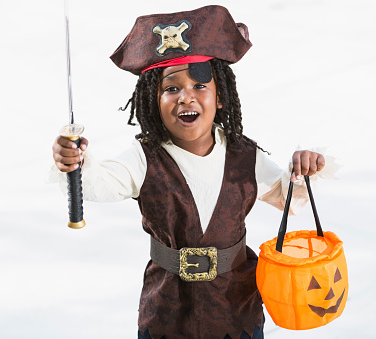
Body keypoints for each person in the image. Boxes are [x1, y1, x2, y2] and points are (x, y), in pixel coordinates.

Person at [50, 5, 338, 339]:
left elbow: (289, 195)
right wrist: (75, 161)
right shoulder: (144, 159)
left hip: (236, 310)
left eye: (200, 86)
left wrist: (306, 168)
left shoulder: (245, 156)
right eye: (171, 88)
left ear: (220, 98)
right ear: (153, 102)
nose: (186, 97)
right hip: (168, 311)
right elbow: (98, 184)